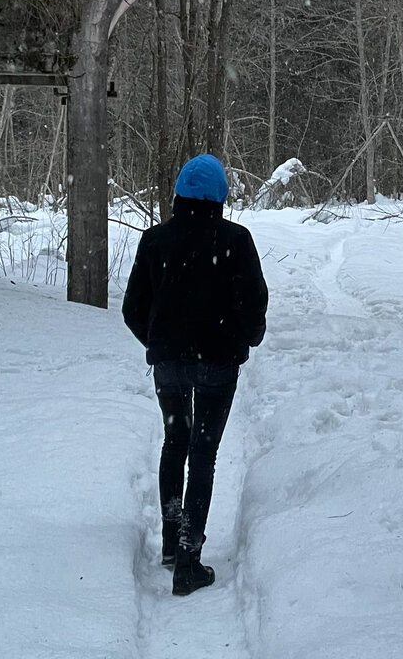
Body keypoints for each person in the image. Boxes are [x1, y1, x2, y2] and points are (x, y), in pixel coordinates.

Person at [122, 154, 268, 597]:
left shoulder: (155, 240)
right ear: (220, 197)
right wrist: (243, 339)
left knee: (175, 443)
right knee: (202, 453)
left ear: (179, 194)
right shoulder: (236, 240)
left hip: (169, 364)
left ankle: (171, 542)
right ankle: (189, 558)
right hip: (218, 366)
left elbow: (133, 308)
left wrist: (159, 340)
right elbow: (254, 306)